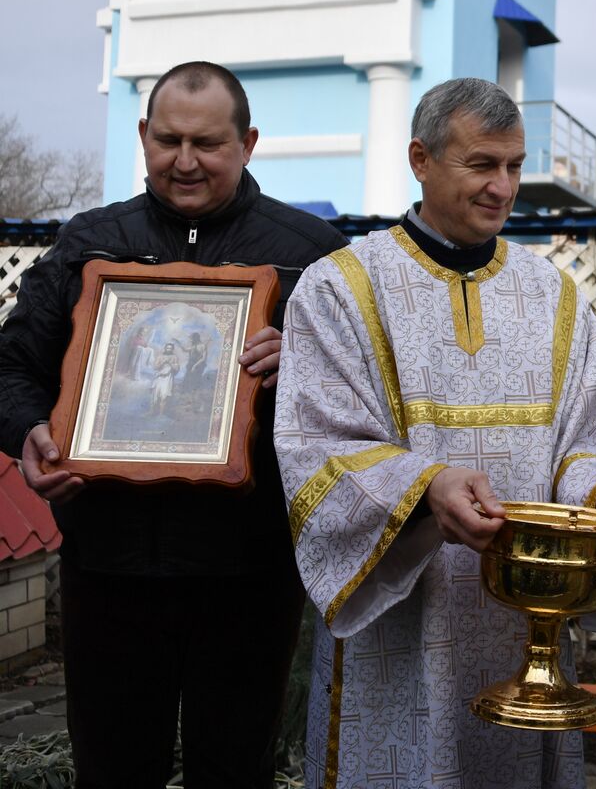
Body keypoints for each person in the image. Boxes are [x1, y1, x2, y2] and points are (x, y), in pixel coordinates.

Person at [274, 77, 596, 788]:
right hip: (405, 621)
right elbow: (318, 447)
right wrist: (424, 487)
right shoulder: (340, 288)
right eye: (482, 164)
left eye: (513, 165)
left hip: (523, 626)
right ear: (421, 159)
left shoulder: (554, 296)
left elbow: (586, 433)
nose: (503, 187)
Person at [0, 61, 348, 786]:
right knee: (114, 767)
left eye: (208, 143)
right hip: (110, 568)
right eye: (167, 141)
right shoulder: (89, 245)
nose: (184, 161)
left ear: (247, 142)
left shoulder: (310, 254)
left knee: (236, 767)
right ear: (143, 137)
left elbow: (373, 397)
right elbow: (11, 368)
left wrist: (311, 365)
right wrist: (30, 432)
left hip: (249, 574)